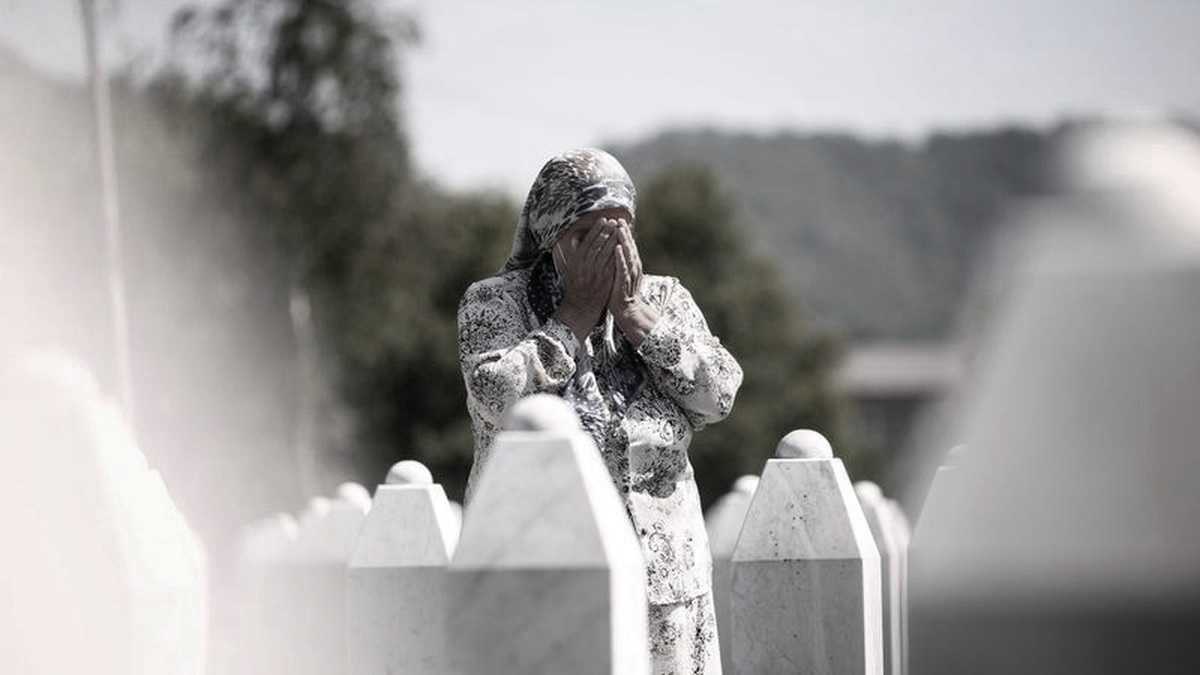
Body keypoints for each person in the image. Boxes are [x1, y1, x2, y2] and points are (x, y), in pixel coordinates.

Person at [457, 148, 743, 673]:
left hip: (665, 580)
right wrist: (574, 318)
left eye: (621, 229)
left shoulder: (666, 299)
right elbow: (496, 395)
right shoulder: (494, 303)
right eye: (589, 232)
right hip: (542, 576)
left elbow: (719, 393)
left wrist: (638, 320)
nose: (610, 247)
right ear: (551, 234)